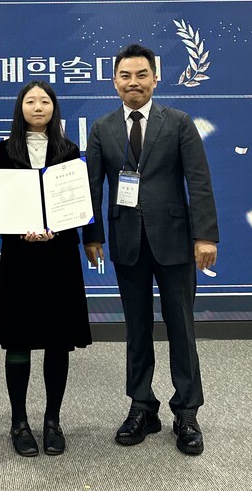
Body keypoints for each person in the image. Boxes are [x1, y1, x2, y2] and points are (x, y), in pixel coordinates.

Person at [83, 43, 219, 455]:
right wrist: (92, 236)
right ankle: (141, 406)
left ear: (155, 79)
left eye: (141, 75)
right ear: (114, 82)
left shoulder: (177, 122)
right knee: (136, 330)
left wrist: (205, 236)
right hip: (127, 242)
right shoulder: (102, 128)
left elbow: (199, 180)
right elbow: (92, 187)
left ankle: (187, 411)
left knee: (181, 328)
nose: (134, 82)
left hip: (175, 241)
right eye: (125, 76)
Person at [0, 81, 91, 457]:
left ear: (54, 107)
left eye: (44, 101)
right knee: (18, 339)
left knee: (57, 339)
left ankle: (52, 420)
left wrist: (58, 228)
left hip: (59, 255)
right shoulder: (5, 150)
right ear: (20, 108)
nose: (37, 106)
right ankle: (18, 422)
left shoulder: (69, 150)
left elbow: (76, 200)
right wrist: (21, 228)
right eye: (30, 101)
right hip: (20, 256)